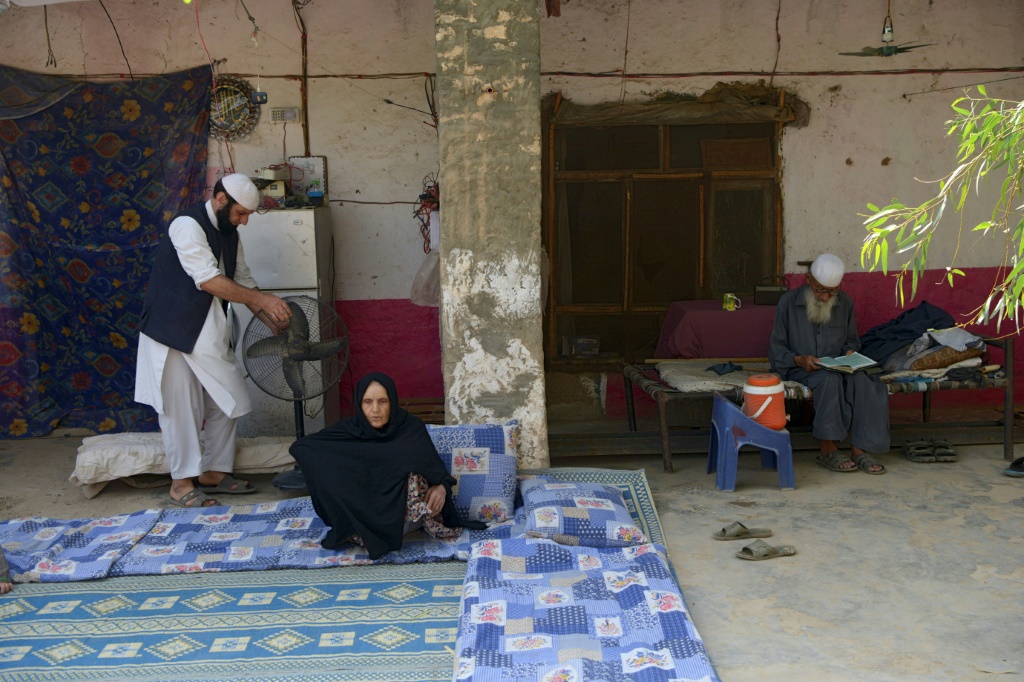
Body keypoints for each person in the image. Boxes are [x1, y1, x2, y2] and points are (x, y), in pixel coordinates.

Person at [135, 173, 293, 508]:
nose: (245, 221)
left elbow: (246, 285)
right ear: (220, 199)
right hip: (173, 333)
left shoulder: (230, 234)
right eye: (241, 214)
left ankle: (214, 472)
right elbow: (207, 280)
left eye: (248, 215)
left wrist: (274, 322)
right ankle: (181, 482)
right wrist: (264, 302)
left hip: (208, 334)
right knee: (182, 409)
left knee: (227, 398)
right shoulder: (186, 225)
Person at [289, 372, 485, 560]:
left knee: (412, 473)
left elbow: (434, 468)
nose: (375, 409)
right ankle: (369, 529)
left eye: (382, 401)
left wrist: (441, 487)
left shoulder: (410, 428)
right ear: (359, 403)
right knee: (331, 469)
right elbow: (302, 448)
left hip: (406, 520)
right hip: (363, 524)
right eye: (368, 402)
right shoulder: (348, 431)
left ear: (392, 401)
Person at [769, 253, 889, 474]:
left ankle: (858, 448)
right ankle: (827, 448)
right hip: (800, 369)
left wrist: (850, 353)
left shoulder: (845, 303)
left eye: (831, 292)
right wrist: (799, 359)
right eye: (820, 290)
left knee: (863, 380)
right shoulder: (788, 303)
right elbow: (776, 351)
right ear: (809, 281)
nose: (825, 297)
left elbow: (851, 340)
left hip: (838, 366)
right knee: (829, 380)